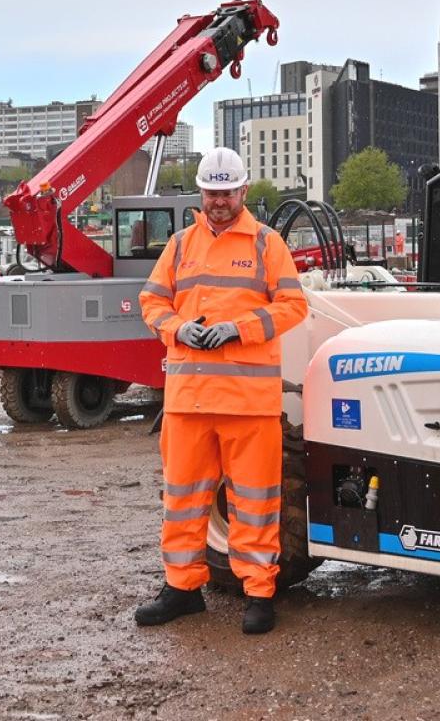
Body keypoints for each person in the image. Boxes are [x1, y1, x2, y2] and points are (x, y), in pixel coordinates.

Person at [134, 147, 310, 634]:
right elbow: (152, 301)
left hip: (247, 404)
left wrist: (238, 328)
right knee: (183, 500)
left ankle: (259, 592)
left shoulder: (266, 243)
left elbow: (294, 306)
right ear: (201, 192)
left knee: (254, 502)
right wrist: (177, 328)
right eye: (211, 192)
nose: (218, 201)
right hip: (189, 401)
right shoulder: (180, 245)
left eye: (226, 192)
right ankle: (182, 589)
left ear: (243, 191)